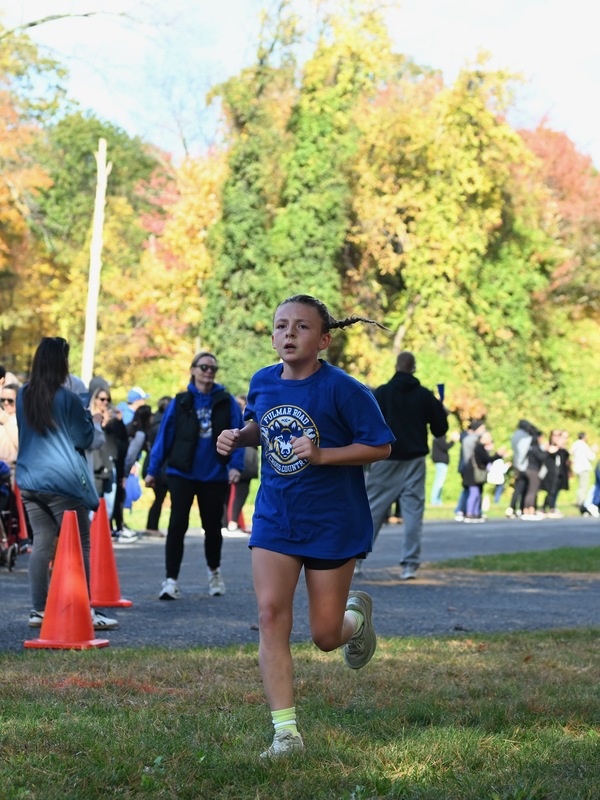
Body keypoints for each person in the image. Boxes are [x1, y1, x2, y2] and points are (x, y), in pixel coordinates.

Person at [216, 294, 393, 759]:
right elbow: (261, 427)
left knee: (325, 636)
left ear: (324, 340)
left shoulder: (345, 390)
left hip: (333, 522)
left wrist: (322, 455)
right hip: (276, 517)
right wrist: (238, 437)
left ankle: (356, 620)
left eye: (302, 326)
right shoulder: (262, 381)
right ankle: (286, 734)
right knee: (270, 615)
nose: (289, 333)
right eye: (281, 326)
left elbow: (380, 446)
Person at [15, 337, 118, 631]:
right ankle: (84, 610)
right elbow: (85, 439)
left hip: (29, 479)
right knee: (79, 544)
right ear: (61, 363)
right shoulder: (68, 399)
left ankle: (39, 609)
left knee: (41, 544)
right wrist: (93, 421)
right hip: (62, 482)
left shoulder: (23, 395)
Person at [146, 352, 245, 599]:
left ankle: (214, 573)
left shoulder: (226, 401)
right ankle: (170, 581)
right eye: (204, 367)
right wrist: (152, 470)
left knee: (212, 526)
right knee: (177, 524)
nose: (209, 372)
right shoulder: (180, 401)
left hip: (214, 473)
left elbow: (238, 435)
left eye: (213, 368)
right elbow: (164, 437)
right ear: (193, 370)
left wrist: (235, 466)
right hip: (182, 472)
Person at [363, 351, 448, 579]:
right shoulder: (424, 395)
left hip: (385, 458)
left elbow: (367, 424)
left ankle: (357, 561)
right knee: (413, 513)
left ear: (396, 366)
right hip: (414, 461)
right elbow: (440, 429)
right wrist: (442, 412)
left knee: (372, 511)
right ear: (414, 367)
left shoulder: (382, 393)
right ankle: (409, 564)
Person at [143, 396, 172, 536]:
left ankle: (152, 526)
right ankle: (152, 526)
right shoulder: (164, 425)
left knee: (159, 498)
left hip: (154, 464)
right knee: (161, 498)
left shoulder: (153, 423)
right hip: (162, 467)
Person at [505, 420, 535, 518]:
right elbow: (523, 452)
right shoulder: (524, 437)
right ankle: (518, 508)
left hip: (518, 464)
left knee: (519, 487)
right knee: (522, 487)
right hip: (523, 465)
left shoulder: (515, 435)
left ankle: (514, 507)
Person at [430, 429, 459, 506]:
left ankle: (437, 500)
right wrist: (453, 440)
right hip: (441, 462)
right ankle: (434, 500)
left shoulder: (437, 437)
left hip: (440, 462)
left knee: (439, 482)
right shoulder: (439, 437)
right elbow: (445, 446)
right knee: (439, 482)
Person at [570, 432, 598, 513]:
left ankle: (579, 501)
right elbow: (591, 457)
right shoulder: (584, 445)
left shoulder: (575, 444)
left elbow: (571, 452)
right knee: (583, 486)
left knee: (580, 486)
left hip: (577, 468)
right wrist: (593, 451)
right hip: (584, 468)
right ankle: (581, 503)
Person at [0, 382, 20, 480]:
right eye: (2, 400)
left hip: (12, 472)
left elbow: (21, 443)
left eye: (10, 400)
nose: (6, 403)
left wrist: (7, 422)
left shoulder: (22, 419)